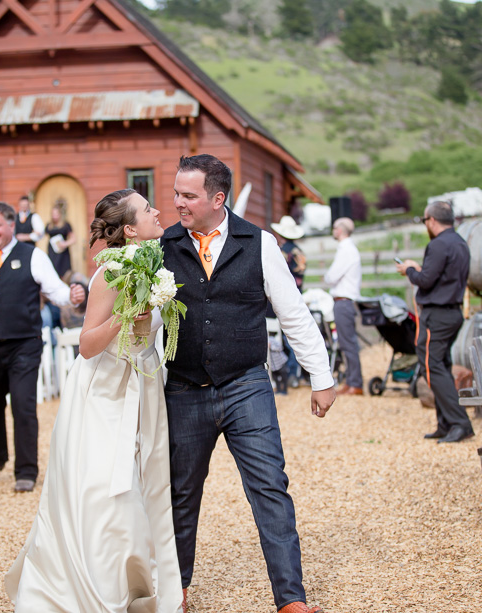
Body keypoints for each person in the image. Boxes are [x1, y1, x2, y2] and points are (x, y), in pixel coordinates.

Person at [161, 154, 335, 613]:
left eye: (187, 195)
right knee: (180, 493)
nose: (177, 202)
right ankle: (174, 590)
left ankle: (291, 599)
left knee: (270, 487)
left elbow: (293, 312)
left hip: (246, 386)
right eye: (176, 193)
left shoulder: (258, 242)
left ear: (218, 199)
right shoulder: (162, 246)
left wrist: (321, 376)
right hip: (182, 389)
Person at [5, 188, 182, 613]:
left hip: (143, 384)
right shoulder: (111, 274)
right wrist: (127, 315)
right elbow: (87, 344)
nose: (158, 210)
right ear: (129, 229)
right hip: (105, 390)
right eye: (147, 209)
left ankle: (149, 582)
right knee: (106, 491)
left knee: (147, 483)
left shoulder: (154, 266)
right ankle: (100, 589)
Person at [0, 201, 84, 492]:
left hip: (25, 344)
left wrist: (72, 296)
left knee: (23, 406)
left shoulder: (32, 256)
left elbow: (55, 290)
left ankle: (26, 471)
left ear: (12, 226)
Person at [396, 200, 472, 444]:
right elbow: (440, 277)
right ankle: (446, 423)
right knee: (441, 365)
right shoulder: (460, 243)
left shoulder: (438, 245)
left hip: (437, 315)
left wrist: (408, 270)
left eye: (424, 220)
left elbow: (426, 280)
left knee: (433, 366)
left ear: (431, 220)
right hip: (452, 311)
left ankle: (460, 423)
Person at [324, 217, 363, 396]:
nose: (333, 230)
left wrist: (327, 277)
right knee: (346, 343)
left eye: (334, 228)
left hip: (344, 301)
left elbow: (332, 276)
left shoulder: (346, 250)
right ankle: (350, 381)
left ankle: (356, 383)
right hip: (343, 301)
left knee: (348, 343)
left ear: (340, 230)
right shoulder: (347, 249)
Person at [270, 215, 309, 388]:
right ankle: (297, 373)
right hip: (297, 296)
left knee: (282, 338)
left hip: (281, 297)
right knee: (294, 335)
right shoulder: (300, 253)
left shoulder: (281, 252)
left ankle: (286, 373)